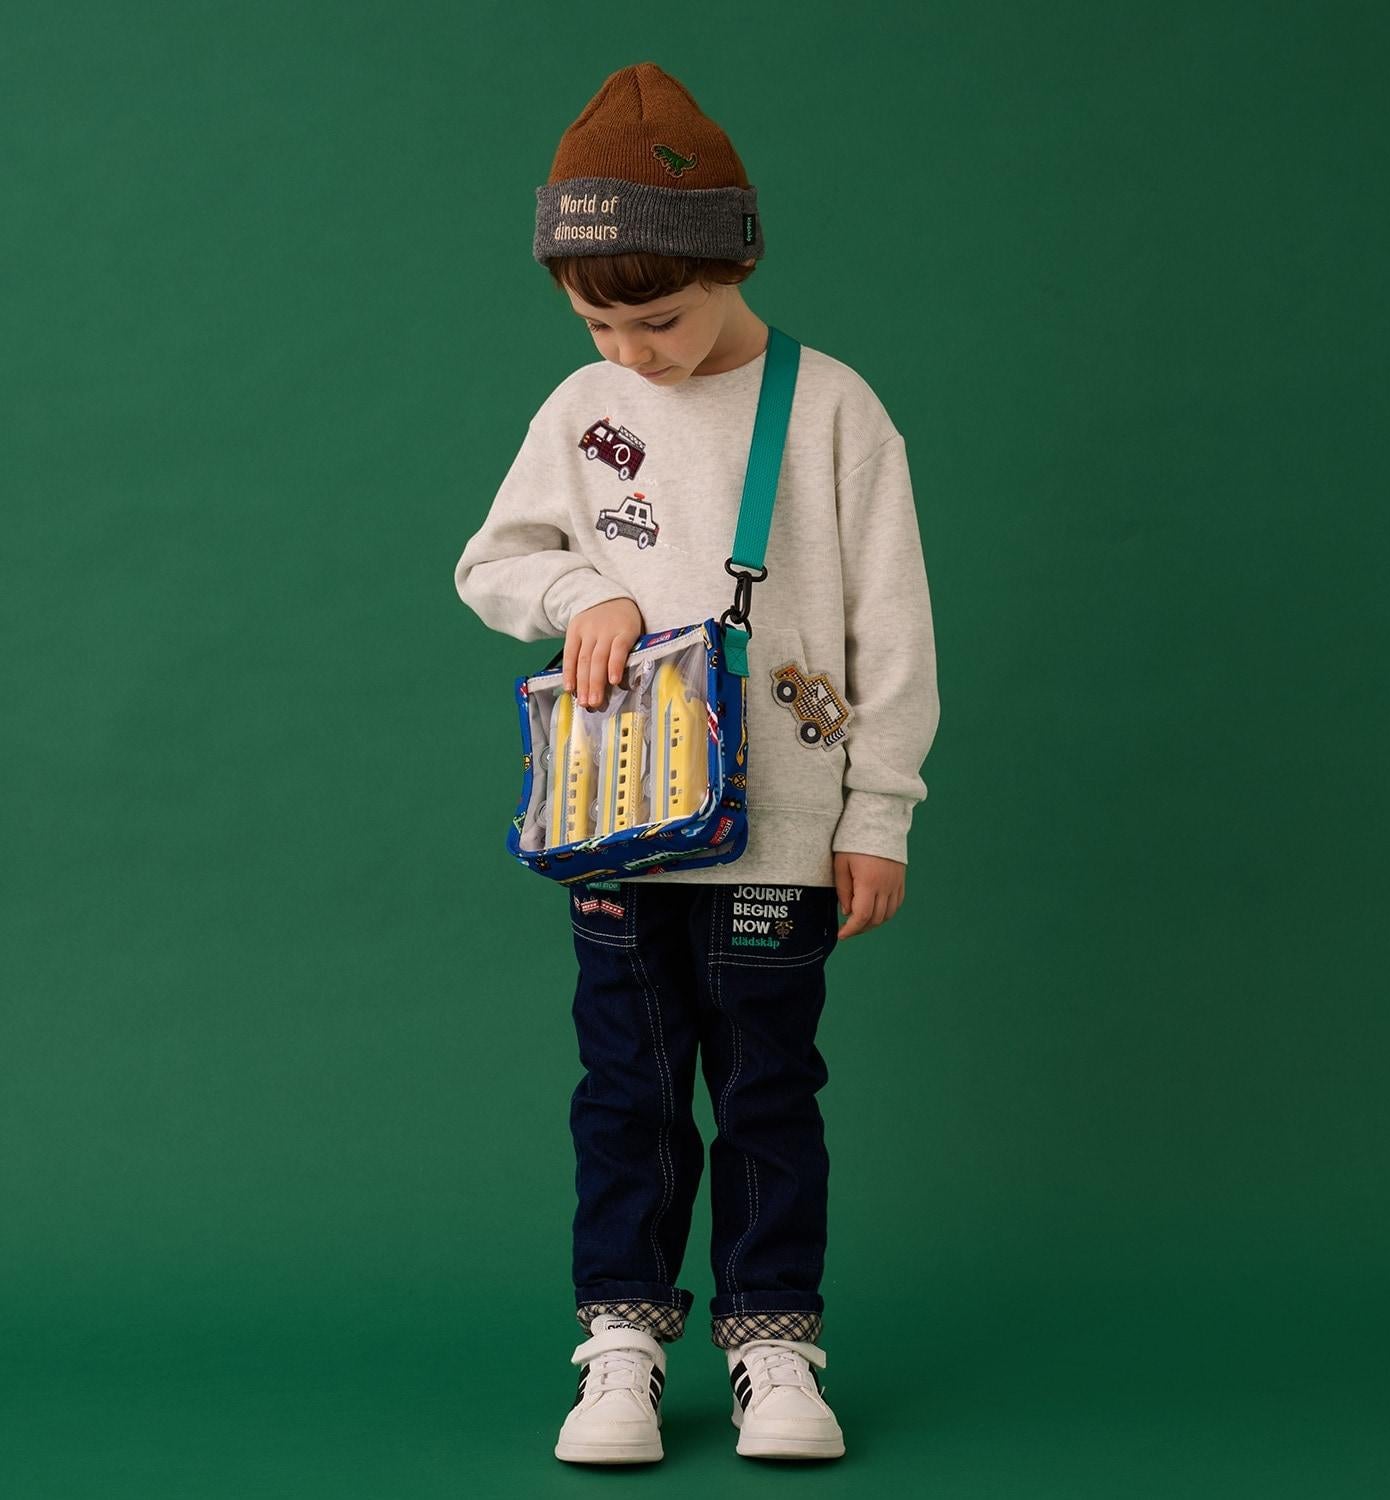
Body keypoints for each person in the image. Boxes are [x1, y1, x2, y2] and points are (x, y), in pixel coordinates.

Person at [453, 61, 939, 1464]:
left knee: (770, 1091)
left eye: (658, 316)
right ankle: (621, 1344)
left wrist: (879, 812)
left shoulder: (831, 410)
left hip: (780, 833)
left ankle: (774, 1345)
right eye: (597, 321)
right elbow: (495, 561)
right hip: (619, 827)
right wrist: (581, 593)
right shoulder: (581, 409)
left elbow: (892, 625)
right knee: (628, 1093)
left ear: (734, 262)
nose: (633, 350)